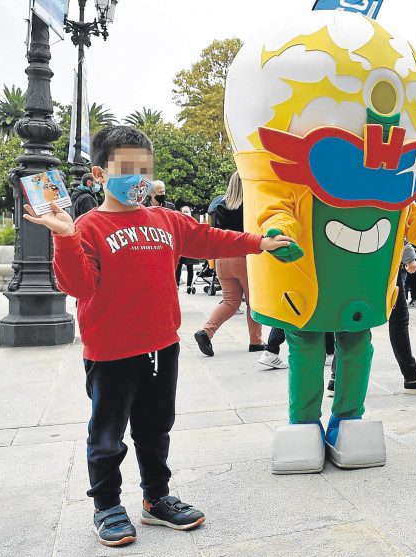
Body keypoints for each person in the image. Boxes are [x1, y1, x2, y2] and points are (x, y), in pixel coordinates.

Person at [22, 126, 294, 547]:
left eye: (144, 170)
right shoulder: (89, 226)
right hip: (111, 351)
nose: (139, 180)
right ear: (99, 175)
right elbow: (77, 286)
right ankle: (107, 505)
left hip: (162, 346)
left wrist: (261, 242)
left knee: (156, 428)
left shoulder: (166, 219)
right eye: (127, 169)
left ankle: (156, 498)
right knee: (107, 436)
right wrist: (66, 238)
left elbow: (209, 238)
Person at [327, 241, 416, 396]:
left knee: (356, 317)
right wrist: (409, 256)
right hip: (384, 261)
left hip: (355, 261)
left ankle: (337, 379)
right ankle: (412, 377)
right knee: (398, 318)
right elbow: (393, 225)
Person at [194, 172, 281, 365]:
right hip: (244, 257)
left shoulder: (217, 203)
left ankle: (206, 331)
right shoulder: (250, 204)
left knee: (230, 301)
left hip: (221, 260)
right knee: (253, 301)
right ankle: (256, 341)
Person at [175, 206, 197, 288]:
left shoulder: (193, 222)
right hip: (180, 247)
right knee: (178, 266)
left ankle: (189, 286)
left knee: (190, 266)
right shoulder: (178, 221)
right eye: (183, 211)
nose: (185, 213)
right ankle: (176, 284)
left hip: (190, 246)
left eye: (187, 211)